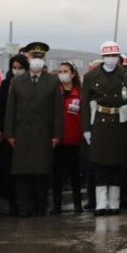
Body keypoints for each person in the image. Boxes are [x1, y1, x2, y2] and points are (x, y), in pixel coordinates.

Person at [81, 41, 127, 216]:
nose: (111, 59)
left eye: (114, 56)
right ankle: (101, 202)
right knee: (100, 165)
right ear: (102, 57)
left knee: (117, 164)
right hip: (100, 122)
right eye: (107, 56)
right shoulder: (91, 77)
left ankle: (114, 202)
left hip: (120, 122)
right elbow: (85, 104)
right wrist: (86, 129)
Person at [4, 42, 64, 217]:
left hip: (43, 134)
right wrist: (9, 133)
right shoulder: (17, 81)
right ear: (28, 58)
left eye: (40, 57)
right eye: (34, 57)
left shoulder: (52, 81)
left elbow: (57, 110)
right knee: (23, 173)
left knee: (41, 172)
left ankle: (41, 207)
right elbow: (11, 109)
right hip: (22, 133)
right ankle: (24, 208)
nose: (37, 60)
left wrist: (57, 134)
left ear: (44, 59)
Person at [0, 54, 29, 215]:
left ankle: (25, 201)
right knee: (9, 169)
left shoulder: (30, 84)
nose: (17, 71)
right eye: (14, 68)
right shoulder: (6, 84)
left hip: (25, 132)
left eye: (20, 68)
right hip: (8, 133)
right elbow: (0, 109)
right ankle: (12, 202)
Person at [51, 62, 84, 214]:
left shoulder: (80, 94)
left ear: (72, 74)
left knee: (74, 174)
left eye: (65, 71)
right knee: (57, 175)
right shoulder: (55, 93)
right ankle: (56, 205)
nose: (62, 74)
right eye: (61, 71)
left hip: (74, 140)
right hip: (58, 141)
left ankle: (78, 204)